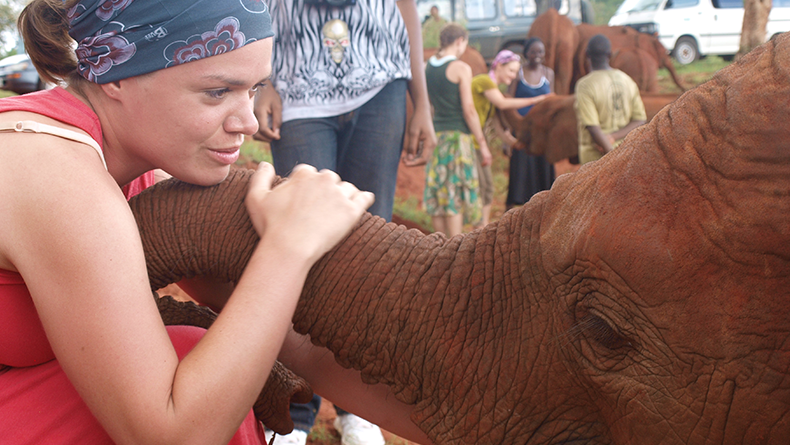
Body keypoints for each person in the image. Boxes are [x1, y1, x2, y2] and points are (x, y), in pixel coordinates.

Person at [0, 1, 432, 445]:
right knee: (192, 355)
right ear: (118, 78)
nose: (247, 122)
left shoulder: (145, 167)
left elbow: (296, 342)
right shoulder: (54, 175)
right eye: (217, 92)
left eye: (254, 89)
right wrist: (287, 250)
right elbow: (172, 435)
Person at [252, 1, 436, 444]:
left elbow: (405, 5)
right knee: (302, 247)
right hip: (296, 84)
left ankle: (358, 408)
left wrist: (422, 101)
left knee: (371, 255)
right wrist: (263, 81)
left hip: (382, 84)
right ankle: (296, 408)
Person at [470, 49, 551, 227]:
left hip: (476, 142)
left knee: (487, 188)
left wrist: (516, 144)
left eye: (516, 72)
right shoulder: (485, 82)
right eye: (511, 71)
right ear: (499, 66)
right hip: (468, 141)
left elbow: (498, 127)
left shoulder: (493, 90)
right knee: (481, 188)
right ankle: (477, 228)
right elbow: (503, 103)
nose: (514, 76)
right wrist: (537, 99)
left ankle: (480, 227)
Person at [423, 23, 487, 237]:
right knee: (455, 193)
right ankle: (454, 245)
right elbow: (469, 110)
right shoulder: (461, 68)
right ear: (459, 41)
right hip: (458, 139)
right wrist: (483, 143)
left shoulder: (427, 67)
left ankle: (442, 244)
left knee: (438, 191)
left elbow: (429, 107)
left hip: (436, 137)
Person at [574, 34, 646, 165]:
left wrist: (611, 159)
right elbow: (639, 119)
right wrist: (613, 138)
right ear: (610, 55)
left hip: (594, 161)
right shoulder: (627, 80)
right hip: (625, 154)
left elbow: (593, 128)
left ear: (586, 55)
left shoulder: (585, 85)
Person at [504, 37, 557, 210]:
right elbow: (508, 101)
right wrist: (509, 130)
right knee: (520, 171)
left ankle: (543, 208)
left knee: (542, 169)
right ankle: (517, 208)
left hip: (542, 132)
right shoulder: (518, 73)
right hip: (522, 130)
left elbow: (552, 102)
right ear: (526, 53)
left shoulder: (548, 74)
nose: (537, 55)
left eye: (540, 51)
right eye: (533, 51)